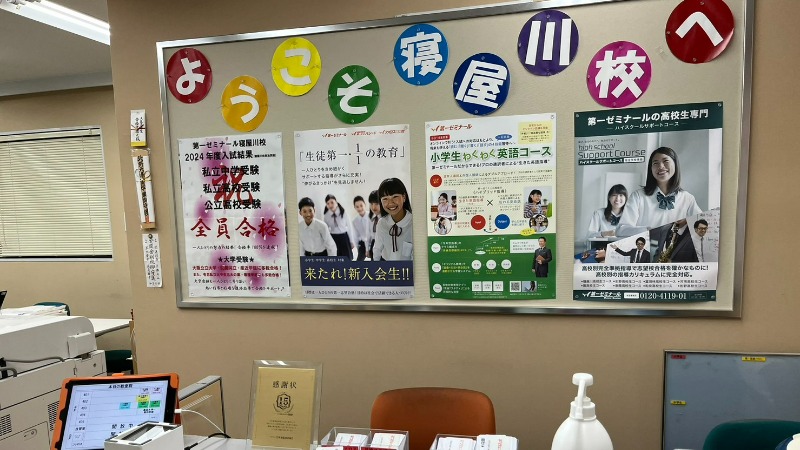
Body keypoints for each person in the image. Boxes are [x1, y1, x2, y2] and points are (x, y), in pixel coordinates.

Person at [617, 147, 702, 237]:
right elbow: (621, 230)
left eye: (666, 161)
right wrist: (651, 231)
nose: (661, 166)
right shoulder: (638, 196)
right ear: (651, 169)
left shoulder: (687, 198)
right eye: (655, 163)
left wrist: (687, 223)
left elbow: (703, 224)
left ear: (675, 164)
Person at [372, 178, 413, 261]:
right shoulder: (382, 223)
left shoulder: (413, 223)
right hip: (387, 267)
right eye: (385, 199)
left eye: (395, 197)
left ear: (404, 197)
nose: (390, 203)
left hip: (408, 268)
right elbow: (377, 249)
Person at [323, 194, 355, 260]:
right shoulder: (326, 216)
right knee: (336, 258)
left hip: (344, 237)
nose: (330, 205)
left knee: (347, 258)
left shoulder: (343, 213)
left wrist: (352, 241)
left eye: (332, 202)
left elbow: (350, 227)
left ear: (336, 203)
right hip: (333, 238)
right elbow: (325, 230)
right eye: (328, 203)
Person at [351, 195, 371, 261]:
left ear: (365, 204)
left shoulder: (371, 216)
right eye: (357, 207)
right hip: (362, 244)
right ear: (354, 208)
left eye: (361, 205)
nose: (359, 208)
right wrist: (357, 247)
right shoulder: (354, 221)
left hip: (372, 242)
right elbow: (356, 236)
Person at [367, 190, 381, 259]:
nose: (373, 207)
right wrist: (367, 249)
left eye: (376, 204)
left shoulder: (386, 219)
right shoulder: (371, 218)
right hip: (373, 243)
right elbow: (368, 234)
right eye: (371, 204)